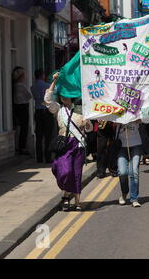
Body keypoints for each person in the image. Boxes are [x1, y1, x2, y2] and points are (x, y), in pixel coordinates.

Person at [45, 73, 93, 211]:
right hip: (64, 145)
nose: (63, 97)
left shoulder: (81, 110)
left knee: (76, 173)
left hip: (78, 145)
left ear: (71, 96)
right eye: (61, 95)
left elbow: (89, 129)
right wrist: (54, 81)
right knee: (65, 171)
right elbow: (47, 99)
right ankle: (66, 195)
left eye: (66, 95)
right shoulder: (58, 109)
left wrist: (87, 124)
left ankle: (77, 201)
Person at [116, 121, 143, 207]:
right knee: (122, 172)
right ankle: (124, 193)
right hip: (121, 145)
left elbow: (144, 119)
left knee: (134, 171)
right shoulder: (116, 110)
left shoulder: (136, 108)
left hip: (136, 144)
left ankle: (134, 198)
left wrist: (137, 119)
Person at [30, 69, 53, 163]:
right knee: (48, 136)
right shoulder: (48, 86)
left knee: (39, 135)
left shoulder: (33, 87)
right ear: (43, 75)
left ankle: (39, 157)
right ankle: (48, 157)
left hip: (38, 111)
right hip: (46, 111)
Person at [12, 67, 32, 155]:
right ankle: (22, 147)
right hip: (23, 106)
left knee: (18, 127)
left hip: (16, 106)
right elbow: (29, 96)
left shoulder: (14, 85)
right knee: (24, 127)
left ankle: (17, 145)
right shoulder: (21, 85)